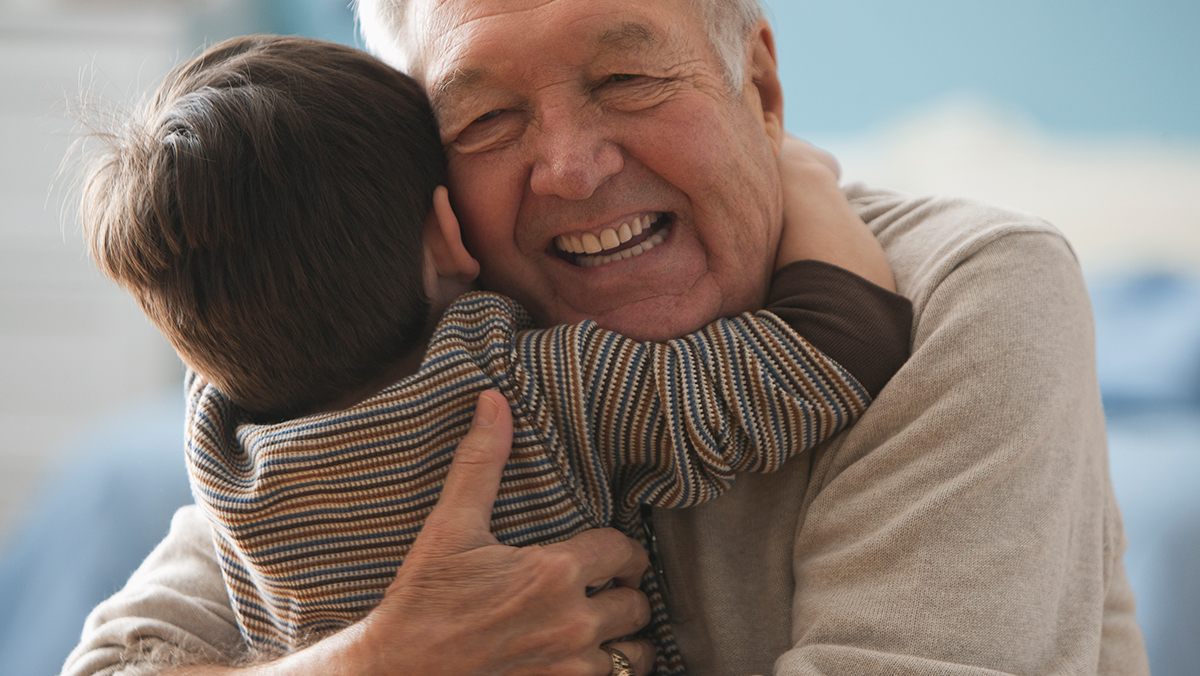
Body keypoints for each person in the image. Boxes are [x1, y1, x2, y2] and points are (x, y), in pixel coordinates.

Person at [62, 0, 1151, 674]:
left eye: (628, 79)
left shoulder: (970, 288)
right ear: (432, 194)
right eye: (485, 120)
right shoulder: (415, 362)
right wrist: (386, 662)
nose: (573, 170)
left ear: (762, 88)